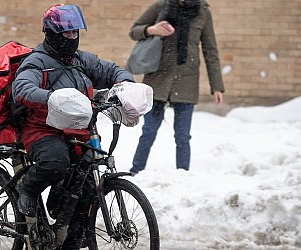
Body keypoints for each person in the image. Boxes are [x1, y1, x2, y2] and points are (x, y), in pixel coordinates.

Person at [12, 4, 134, 248]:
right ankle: (27, 189)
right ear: (52, 34)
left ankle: (69, 240)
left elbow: (110, 70)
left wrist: (126, 85)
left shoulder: (81, 60)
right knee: (56, 162)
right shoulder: (36, 62)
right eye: (67, 33)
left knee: (87, 187)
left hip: (79, 131)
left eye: (75, 32)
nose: (72, 38)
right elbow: (22, 88)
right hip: (43, 130)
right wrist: (50, 98)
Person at [128, 0, 225, 174]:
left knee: (182, 136)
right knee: (148, 131)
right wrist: (152, 30)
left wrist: (216, 86)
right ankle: (135, 172)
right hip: (158, 78)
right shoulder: (161, 7)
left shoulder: (203, 12)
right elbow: (134, 31)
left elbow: (210, 50)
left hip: (187, 81)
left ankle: (182, 176)